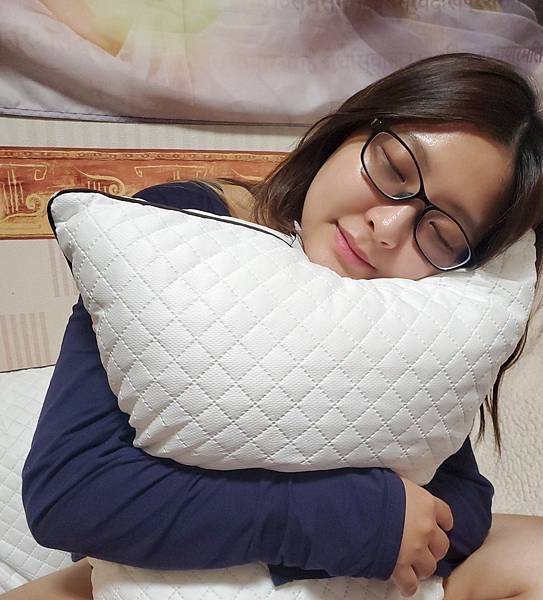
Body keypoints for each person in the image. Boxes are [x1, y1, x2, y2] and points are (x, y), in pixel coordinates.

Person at [8, 53, 543, 600]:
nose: (387, 226)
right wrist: (343, 517)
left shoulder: (414, 315)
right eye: (392, 168)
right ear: (350, 129)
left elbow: (466, 502)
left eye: (442, 233)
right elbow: (70, 493)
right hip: (147, 571)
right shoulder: (182, 227)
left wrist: (368, 530)